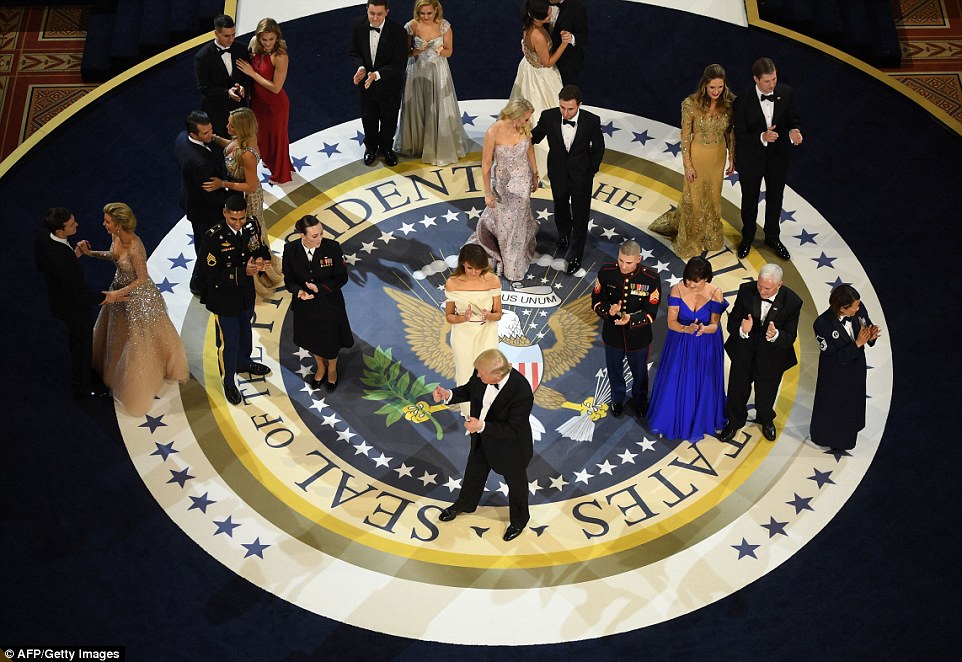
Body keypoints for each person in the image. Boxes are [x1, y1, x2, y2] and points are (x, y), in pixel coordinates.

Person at [81, 203, 189, 417]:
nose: (103, 224)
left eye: (107, 222)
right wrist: (91, 253)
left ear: (119, 225)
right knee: (118, 336)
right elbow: (113, 256)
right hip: (118, 294)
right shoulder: (116, 237)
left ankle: (139, 384)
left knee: (139, 343)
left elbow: (142, 278)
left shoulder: (135, 247)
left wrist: (117, 294)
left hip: (139, 299)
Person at [432, 349, 534, 542]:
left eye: (481, 373)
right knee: (473, 474)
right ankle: (464, 504)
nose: (478, 375)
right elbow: (470, 389)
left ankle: (519, 521)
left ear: (498, 376)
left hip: (510, 448)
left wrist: (482, 426)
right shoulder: (482, 371)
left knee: (517, 486)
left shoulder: (521, 392)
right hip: (482, 439)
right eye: (477, 371)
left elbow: (513, 429)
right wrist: (448, 395)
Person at [35, 207, 126, 399]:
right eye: (71, 224)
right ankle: (82, 388)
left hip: (59, 300)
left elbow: (41, 266)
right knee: (81, 346)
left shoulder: (44, 237)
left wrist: (74, 254)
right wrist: (106, 297)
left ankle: (84, 375)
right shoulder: (62, 260)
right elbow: (78, 295)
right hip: (73, 310)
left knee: (79, 343)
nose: (76, 224)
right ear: (59, 231)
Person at [650, 64, 735, 260]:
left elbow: (731, 133)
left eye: (720, 87)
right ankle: (690, 239)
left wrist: (732, 158)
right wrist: (688, 166)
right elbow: (685, 137)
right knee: (694, 198)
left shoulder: (729, 103)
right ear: (704, 85)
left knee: (713, 196)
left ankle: (709, 235)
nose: (716, 91)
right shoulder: (691, 104)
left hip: (718, 156)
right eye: (712, 87)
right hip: (697, 155)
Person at [202, 107, 283, 298]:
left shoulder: (247, 154)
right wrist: (215, 139)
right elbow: (232, 145)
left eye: (231, 125)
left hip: (248, 199)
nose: (227, 126)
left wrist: (223, 184)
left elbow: (251, 186)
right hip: (238, 192)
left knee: (251, 238)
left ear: (241, 128)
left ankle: (260, 278)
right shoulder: (243, 138)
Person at [199, 194, 272, 405]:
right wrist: (243, 272)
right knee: (229, 341)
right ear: (225, 213)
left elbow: (259, 247)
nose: (238, 223)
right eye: (233, 219)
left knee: (245, 331)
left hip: (245, 293)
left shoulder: (251, 225)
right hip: (223, 299)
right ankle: (229, 380)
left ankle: (243, 362)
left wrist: (262, 259)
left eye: (242, 218)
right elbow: (212, 275)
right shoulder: (213, 238)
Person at [646, 256, 728, 442]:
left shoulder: (716, 293)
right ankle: (671, 419)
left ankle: (700, 419)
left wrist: (703, 329)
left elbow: (714, 325)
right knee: (675, 379)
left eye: (695, 282)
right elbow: (671, 322)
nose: (690, 285)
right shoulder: (677, 290)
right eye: (688, 280)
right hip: (680, 340)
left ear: (706, 278)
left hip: (706, 342)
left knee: (703, 381)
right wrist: (686, 329)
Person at [719, 262, 802, 442]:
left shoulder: (793, 302)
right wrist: (743, 329)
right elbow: (732, 323)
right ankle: (734, 421)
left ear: (779, 285)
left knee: (766, 393)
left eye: (767, 288)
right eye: (759, 286)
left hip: (772, 358)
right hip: (744, 352)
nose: (762, 291)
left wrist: (775, 335)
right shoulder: (746, 291)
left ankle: (766, 420)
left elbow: (790, 337)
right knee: (737, 390)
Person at [732, 57, 804, 261]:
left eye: (774, 79)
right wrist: (762, 137)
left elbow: (792, 119)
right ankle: (748, 236)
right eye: (767, 81)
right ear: (756, 79)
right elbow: (740, 135)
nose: (772, 84)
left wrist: (794, 130)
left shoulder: (786, 93)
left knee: (775, 198)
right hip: (751, 159)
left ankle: (773, 237)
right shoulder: (742, 101)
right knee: (750, 199)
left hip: (777, 158)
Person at [530, 84, 604, 275]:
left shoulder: (591, 121)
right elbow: (534, 137)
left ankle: (576, 255)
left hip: (582, 176)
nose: (565, 113)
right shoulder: (549, 116)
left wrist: (591, 170)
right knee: (561, 207)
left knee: (580, 215)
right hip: (558, 173)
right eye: (562, 107)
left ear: (579, 104)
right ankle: (563, 234)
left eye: (570, 109)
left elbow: (598, 148)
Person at [464, 98, 539, 283]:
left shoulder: (524, 127)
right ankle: (501, 255)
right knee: (505, 225)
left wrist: (535, 174)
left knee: (518, 223)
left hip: (522, 184)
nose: (528, 122)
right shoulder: (493, 131)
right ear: (515, 116)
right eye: (525, 118)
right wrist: (487, 193)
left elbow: (530, 150)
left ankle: (514, 262)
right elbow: (486, 165)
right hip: (502, 186)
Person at [281, 215, 355, 394]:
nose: (320, 238)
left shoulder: (332, 248)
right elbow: (289, 279)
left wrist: (319, 288)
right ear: (302, 235)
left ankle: (332, 369)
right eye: (315, 236)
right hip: (305, 307)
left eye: (321, 233)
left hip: (329, 305)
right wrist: (299, 291)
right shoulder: (290, 250)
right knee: (312, 339)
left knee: (331, 341)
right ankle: (320, 366)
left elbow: (341, 278)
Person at [591, 240, 661, 420]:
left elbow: (651, 312)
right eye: (621, 260)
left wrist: (631, 320)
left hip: (638, 336)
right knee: (614, 370)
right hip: (613, 333)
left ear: (639, 259)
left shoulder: (650, 278)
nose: (623, 266)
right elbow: (596, 301)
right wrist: (609, 311)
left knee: (640, 372)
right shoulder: (606, 272)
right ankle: (617, 399)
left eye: (628, 262)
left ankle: (640, 400)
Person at [393, 0, 468, 167]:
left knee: (438, 106)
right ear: (417, 12)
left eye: (429, 13)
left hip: (438, 71)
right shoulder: (410, 26)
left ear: (436, 10)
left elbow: (449, 51)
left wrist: (442, 51)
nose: (426, 17)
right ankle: (418, 145)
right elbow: (405, 53)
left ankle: (437, 145)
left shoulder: (445, 26)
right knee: (417, 106)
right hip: (416, 71)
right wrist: (417, 51)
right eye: (422, 13)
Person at [810, 285, 881, 451]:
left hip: (855, 371)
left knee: (852, 406)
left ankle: (846, 441)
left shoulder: (859, 308)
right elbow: (832, 358)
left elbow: (866, 327)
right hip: (834, 376)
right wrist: (857, 344)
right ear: (842, 308)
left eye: (858, 305)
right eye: (854, 307)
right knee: (831, 408)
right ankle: (824, 437)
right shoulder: (822, 324)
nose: (858, 309)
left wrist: (871, 337)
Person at [510, 0, 570, 178]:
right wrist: (564, 43)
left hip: (528, 71)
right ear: (535, 16)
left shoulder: (529, 24)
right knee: (545, 113)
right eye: (547, 15)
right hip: (541, 78)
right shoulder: (537, 36)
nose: (551, 15)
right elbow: (548, 62)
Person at [444, 245, 503, 416]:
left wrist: (489, 316)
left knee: (488, 371)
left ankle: (489, 410)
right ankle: (470, 413)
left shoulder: (493, 280)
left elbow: (498, 314)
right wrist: (463, 318)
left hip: (487, 332)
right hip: (462, 335)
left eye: (478, 268)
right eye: (470, 268)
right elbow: (449, 316)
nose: (474, 272)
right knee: (465, 373)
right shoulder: (452, 283)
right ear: (463, 263)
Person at [349, 0, 408, 167]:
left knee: (389, 118)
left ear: (387, 12)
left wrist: (377, 74)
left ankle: (387, 149)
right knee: (369, 117)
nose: (375, 18)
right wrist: (361, 67)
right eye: (372, 13)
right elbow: (353, 51)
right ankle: (371, 148)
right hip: (367, 84)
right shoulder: (358, 25)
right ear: (366, 9)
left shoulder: (398, 32)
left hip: (389, 84)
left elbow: (398, 63)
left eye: (379, 14)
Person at [174, 110, 228, 295]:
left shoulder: (182, 138)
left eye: (210, 129)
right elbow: (212, 196)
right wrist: (232, 195)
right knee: (209, 246)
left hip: (192, 202)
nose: (211, 135)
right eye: (206, 133)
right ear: (193, 134)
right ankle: (198, 283)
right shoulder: (201, 163)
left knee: (202, 243)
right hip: (206, 211)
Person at [237, 18, 293, 185]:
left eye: (271, 39)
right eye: (264, 39)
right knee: (262, 135)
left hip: (275, 106)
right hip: (257, 102)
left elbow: (276, 88)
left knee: (277, 138)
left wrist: (252, 74)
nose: (267, 43)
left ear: (277, 37)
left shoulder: (280, 56)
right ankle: (269, 161)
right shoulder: (254, 43)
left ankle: (281, 174)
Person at [194, 14, 249, 137]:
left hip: (239, 111)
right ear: (216, 33)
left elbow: (248, 77)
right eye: (226, 36)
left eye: (233, 35)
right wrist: (227, 92)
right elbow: (204, 88)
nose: (231, 40)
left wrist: (243, 87)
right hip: (216, 113)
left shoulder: (242, 50)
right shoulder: (202, 57)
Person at [547, 0, 587, 87]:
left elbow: (583, 36)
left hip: (566, 61)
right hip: (544, 56)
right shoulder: (541, 2)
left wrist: (571, 38)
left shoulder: (578, 9)